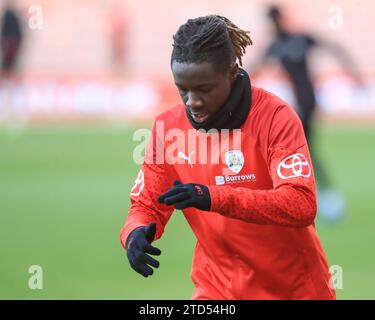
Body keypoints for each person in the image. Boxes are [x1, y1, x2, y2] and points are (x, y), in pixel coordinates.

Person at [120, 15, 335, 300]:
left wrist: (213, 197)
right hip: (217, 290)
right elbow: (145, 205)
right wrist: (134, 235)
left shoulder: (275, 117)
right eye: (182, 89)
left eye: (204, 89)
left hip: (293, 290)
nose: (192, 101)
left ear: (232, 72)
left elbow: (301, 203)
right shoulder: (168, 129)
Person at [250, 5, 362, 223]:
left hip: (307, 103)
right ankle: (320, 194)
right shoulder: (277, 45)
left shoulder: (298, 39)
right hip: (298, 104)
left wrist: (353, 71)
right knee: (304, 150)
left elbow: (334, 48)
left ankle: (317, 196)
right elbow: (257, 66)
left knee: (301, 150)